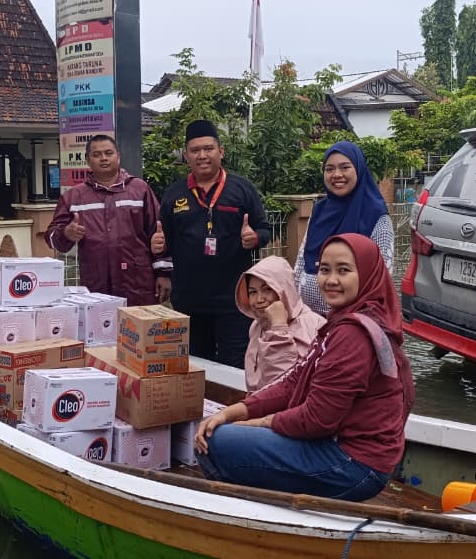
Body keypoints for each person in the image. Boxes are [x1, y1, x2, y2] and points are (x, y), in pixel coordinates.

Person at [194, 233, 414, 501]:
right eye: (324, 270)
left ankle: (257, 519)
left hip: (354, 465)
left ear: (367, 274)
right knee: (223, 429)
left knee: (216, 444)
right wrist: (234, 412)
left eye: (343, 270)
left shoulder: (352, 335)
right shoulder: (340, 322)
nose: (331, 280)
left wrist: (257, 423)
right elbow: (293, 381)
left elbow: (318, 419)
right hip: (345, 448)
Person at [151, 119, 271, 369]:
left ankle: (233, 409)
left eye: (208, 149)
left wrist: (255, 238)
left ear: (221, 152)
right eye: (195, 151)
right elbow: (165, 241)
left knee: (235, 366)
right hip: (189, 301)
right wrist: (158, 245)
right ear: (186, 156)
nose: (202, 156)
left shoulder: (242, 189)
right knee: (196, 367)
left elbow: (265, 230)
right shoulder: (175, 194)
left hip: (235, 300)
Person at [44, 135, 160, 305]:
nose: (104, 158)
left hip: (138, 284)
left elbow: (158, 232)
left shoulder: (139, 189)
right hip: (95, 285)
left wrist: (163, 274)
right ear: (88, 160)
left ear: (118, 157)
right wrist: (66, 233)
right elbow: (51, 238)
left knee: (138, 330)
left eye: (108, 153)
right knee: (100, 329)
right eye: (97, 155)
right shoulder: (74, 197)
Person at [293, 140, 395, 315]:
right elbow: (302, 261)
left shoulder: (375, 216)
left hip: (350, 323)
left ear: (359, 169)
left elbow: (381, 277)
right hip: (309, 320)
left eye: (345, 167)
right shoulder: (320, 211)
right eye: (329, 169)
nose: (337, 174)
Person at [236, 255, 325, 392]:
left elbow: (282, 385)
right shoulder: (257, 325)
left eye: (267, 289)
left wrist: (279, 328)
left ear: (284, 289)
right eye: (252, 292)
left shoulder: (312, 326)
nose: (259, 299)